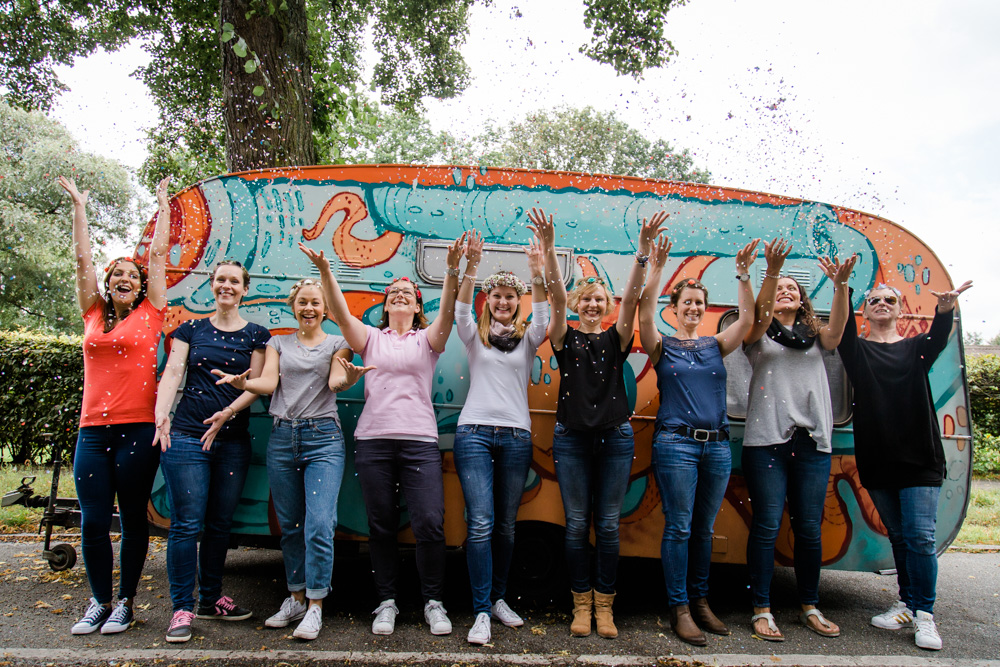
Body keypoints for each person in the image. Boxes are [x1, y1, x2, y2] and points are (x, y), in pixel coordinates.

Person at [305, 236, 466, 637]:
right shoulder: (370, 339)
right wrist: (326, 272)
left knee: (429, 522)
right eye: (393, 293)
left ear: (416, 306)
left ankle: (433, 602)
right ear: (385, 304)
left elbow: (446, 314)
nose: (399, 297)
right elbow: (341, 317)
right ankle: (387, 602)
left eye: (407, 294)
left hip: (419, 441)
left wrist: (449, 271)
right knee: (381, 526)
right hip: (373, 441)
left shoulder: (427, 341)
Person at [213, 250, 372, 641]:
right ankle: (296, 598)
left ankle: (316, 605)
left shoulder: (339, 342)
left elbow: (336, 380)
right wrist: (243, 384)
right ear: (294, 307)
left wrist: (348, 381)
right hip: (283, 438)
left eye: (316, 303)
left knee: (320, 524)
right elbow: (268, 384)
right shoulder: (277, 343)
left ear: (324, 309)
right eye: (303, 302)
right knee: (291, 527)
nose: (309, 308)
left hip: (323, 439)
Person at [545, 208, 668, 639]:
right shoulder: (565, 338)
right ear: (578, 306)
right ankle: (581, 604)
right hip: (572, 439)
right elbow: (556, 298)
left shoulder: (617, 339)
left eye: (601, 299)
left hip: (615, 438)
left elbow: (634, 298)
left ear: (607, 307)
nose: (593, 304)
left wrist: (642, 252)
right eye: (587, 299)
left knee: (610, 524)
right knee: (578, 524)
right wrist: (547, 250)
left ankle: (605, 606)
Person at [60, 175, 171, 635]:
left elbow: (160, 257)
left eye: (132, 274)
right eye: (117, 274)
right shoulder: (92, 313)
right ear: (108, 285)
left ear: (141, 284)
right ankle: (98, 601)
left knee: (131, 518)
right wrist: (80, 208)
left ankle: (125, 602)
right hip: (92, 430)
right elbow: (82, 259)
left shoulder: (152, 313)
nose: (125, 278)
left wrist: (164, 206)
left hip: (137, 430)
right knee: (92, 521)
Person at [836, 277, 972, 651]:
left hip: (919, 458)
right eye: (875, 299)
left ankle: (925, 616)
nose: (882, 302)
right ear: (866, 311)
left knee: (920, 537)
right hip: (878, 460)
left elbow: (939, 337)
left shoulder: (916, 350)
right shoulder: (857, 351)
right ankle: (907, 605)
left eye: (889, 299)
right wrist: (843, 288)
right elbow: (842, 327)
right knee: (899, 536)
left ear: (899, 309)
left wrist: (944, 309)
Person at [638, 236, 761, 645]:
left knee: (704, 529)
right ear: (673, 309)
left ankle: (701, 599)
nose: (693, 308)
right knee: (679, 528)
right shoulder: (663, 347)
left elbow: (745, 320)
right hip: (676, 445)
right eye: (686, 302)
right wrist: (657, 267)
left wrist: (744, 274)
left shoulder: (715, 346)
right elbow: (642, 313)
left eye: (698, 303)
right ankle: (680, 608)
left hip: (717, 447)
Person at [741, 240, 857, 641]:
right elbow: (757, 316)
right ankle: (762, 608)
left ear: (804, 300)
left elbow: (838, 330)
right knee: (768, 526)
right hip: (766, 442)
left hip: (811, 443)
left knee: (809, 528)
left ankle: (809, 605)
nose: (787, 291)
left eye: (794, 287)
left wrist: (840, 286)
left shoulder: (815, 335)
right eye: (781, 288)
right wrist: (772, 273)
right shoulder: (757, 333)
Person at [152, 260, 271, 643]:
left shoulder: (257, 335)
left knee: (221, 525)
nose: (227, 286)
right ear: (212, 285)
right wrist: (162, 416)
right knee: (187, 524)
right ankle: (181, 608)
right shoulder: (191, 329)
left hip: (233, 440)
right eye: (221, 279)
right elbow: (173, 372)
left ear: (244, 289)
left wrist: (228, 413)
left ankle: (210, 598)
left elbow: (254, 385)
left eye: (234, 281)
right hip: (187, 436)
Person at [453, 229, 553, 644]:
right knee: (480, 523)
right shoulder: (474, 337)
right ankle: (479, 611)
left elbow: (546, 319)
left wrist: (538, 270)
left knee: (506, 527)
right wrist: (471, 268)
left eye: (511, 296)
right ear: (489, 300)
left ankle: (497, 599)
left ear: (518, 302)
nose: (503, 301)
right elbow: (459, 311)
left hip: (515, 437)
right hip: (473, 433)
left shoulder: (529, 339)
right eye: (496, 296)